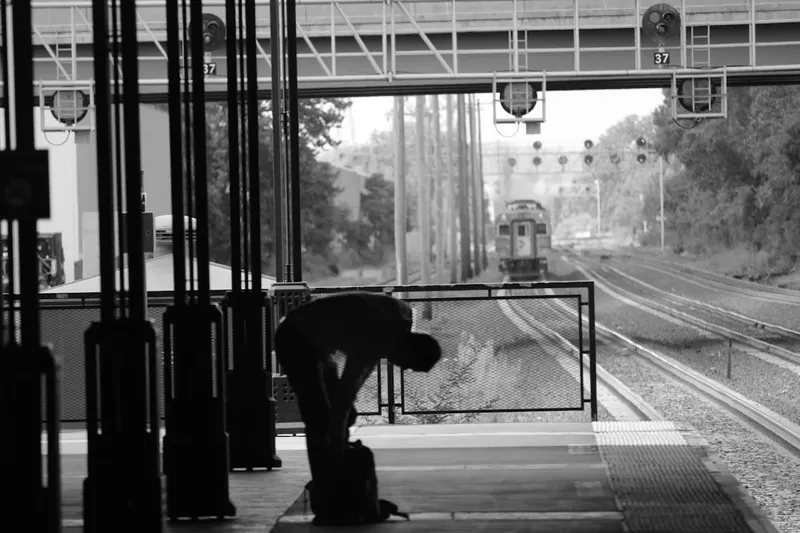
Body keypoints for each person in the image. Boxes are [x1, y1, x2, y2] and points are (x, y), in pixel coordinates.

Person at [274, 291, 441, 524]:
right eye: (410, 365)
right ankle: (328, 495)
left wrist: (340, 429)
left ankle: (336, 483)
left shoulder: (396, 324)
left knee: (343, 416)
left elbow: (348, 393)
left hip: (316, 343)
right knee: (319, 418)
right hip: (295, 338)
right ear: (410, 349)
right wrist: (334, 437)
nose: (403, 369)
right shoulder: (379, 336)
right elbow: (346, 392)